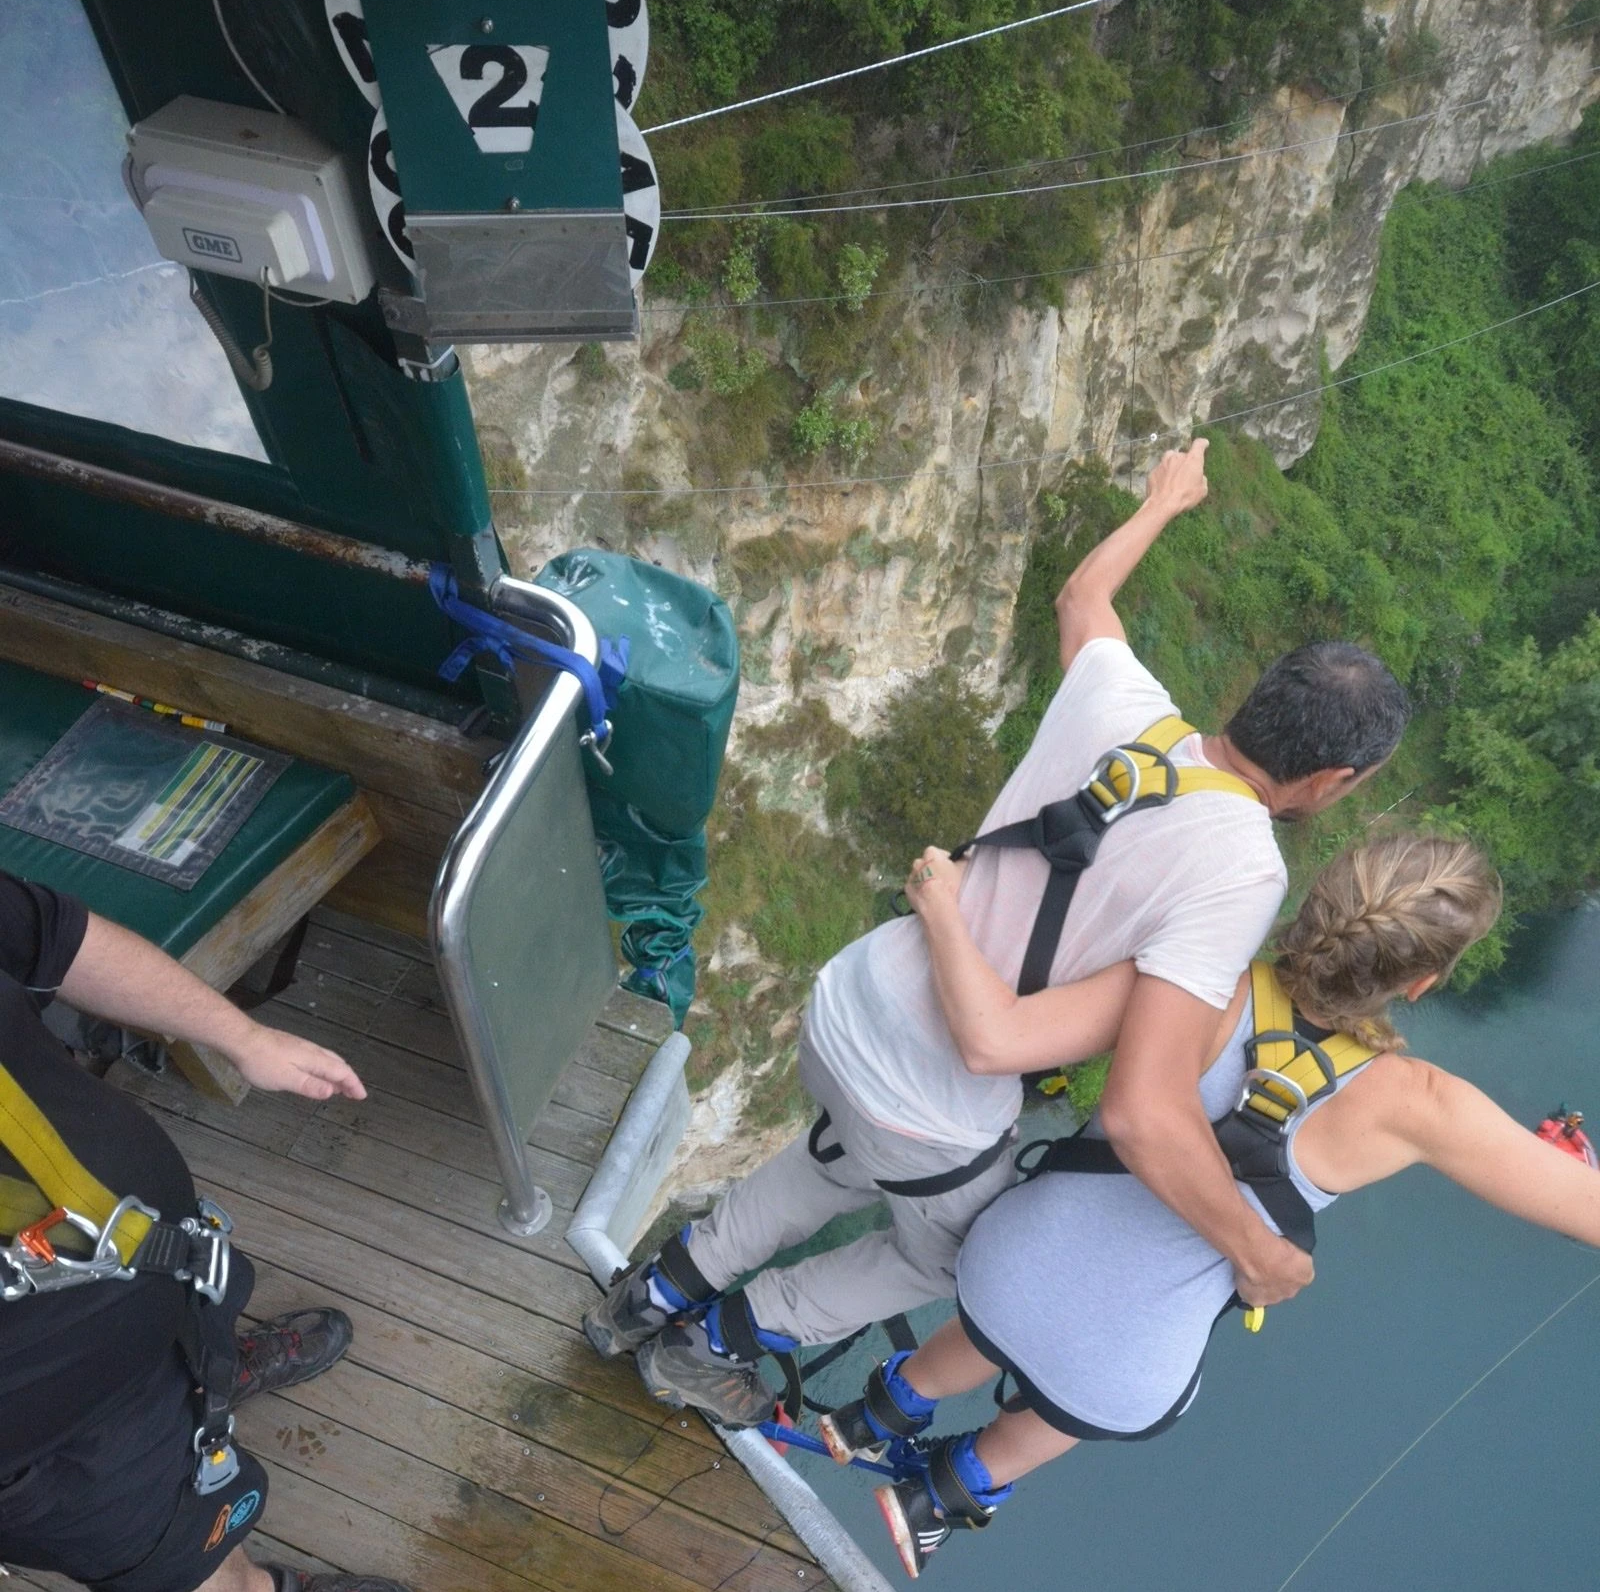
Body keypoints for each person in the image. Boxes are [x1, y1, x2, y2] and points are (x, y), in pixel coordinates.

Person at [585, 439, 1409, 1423]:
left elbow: (1081, 603)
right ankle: (705, 1349)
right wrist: (1250, 1248)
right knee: (946, 1257)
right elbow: (1133, 1105)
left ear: (1262, 696)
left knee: (826, 1160)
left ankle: (644, 1301)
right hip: (932, 1088)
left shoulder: (1127, 706)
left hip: (850, 1002)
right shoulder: (1244, 870)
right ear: (1330, 783)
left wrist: (1161, 504)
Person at [819, 831, 1581, 1578]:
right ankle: (947, 1493)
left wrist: (943, 906)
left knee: (1023, 1300)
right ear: (1421, 982)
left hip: (1004, 1267)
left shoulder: (1196, 978)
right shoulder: (1421, 1105)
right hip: (1116, 1370)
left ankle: (878, 1412)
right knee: (1102, 1373)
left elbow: (1004, 1034)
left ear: (1321, 905)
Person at [0, 874, 419, 1592]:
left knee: (203, 1332)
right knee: (167, 1560)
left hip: (162, 1268)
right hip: (57, 1444)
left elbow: (59, 937)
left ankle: (212, 1376)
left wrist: (238, 1033)